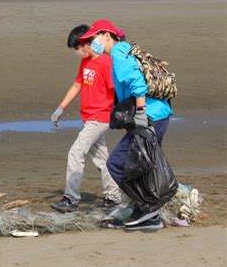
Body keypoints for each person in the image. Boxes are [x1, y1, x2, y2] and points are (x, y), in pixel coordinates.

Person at [78, 20, 173, 230]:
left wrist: (140, 115)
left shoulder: (119, 53)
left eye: (94, 38)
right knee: (143, 165)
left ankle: (149, 209)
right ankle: (149, 214)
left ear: (107, 36)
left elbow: (137, 83)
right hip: (159, 116)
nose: (91, 44)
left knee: (116, 163)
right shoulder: (122, 52)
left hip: (150, 117)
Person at [50, 25, 122, 213]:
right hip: (89, 118)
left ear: (86, 44)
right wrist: (61, 107)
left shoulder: (106, 63)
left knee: (76, 153)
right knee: (103, 160)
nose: (76, 52)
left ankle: (71, 199)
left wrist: (118, 113)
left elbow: (115, 90)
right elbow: (76, 85)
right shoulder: (85, 63)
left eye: (76, 48)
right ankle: (113, 197)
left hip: (99, 118)